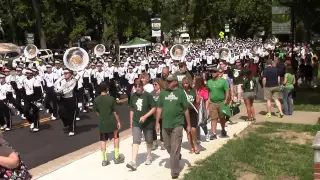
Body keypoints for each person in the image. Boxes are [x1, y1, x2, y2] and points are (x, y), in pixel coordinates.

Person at [156, 74, 191, 179]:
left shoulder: (181, 93)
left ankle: (174, 171)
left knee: (175, 148)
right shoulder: (163, 94)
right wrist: (157, 122)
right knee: (167, 145)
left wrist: (188, 125)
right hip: (165, 124)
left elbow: (186, 109)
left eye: (170, 81)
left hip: (177, 124)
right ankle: (176, 156)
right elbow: (159, 108)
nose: (168, 83)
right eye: (167, 81)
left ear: (175, 81)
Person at [126, 80, 156, 170]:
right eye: (136, 86)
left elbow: (154, 108)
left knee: (148, 140)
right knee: (135, 140)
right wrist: (131, 122)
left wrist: (145, 116)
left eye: (139, 86)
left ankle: (149, 156)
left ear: (142, 86)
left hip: (148, 121)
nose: (137, 88)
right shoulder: (133, 96)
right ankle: (133, 161)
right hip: (136, 121)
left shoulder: (148, 95)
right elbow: (132, 109)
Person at [93, 82, 124, 166]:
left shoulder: (96, 100)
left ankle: (104, 159)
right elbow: (114, 112)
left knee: (103, 140)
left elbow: (96, 111)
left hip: (102, 122)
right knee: (116, 137)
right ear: (107, 89)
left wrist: (102, 115)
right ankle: (117, 157)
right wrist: (118, 121)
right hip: (112, 122)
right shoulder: (111, 99)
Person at [54, 69, 79, 136]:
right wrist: (57, 91)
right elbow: (56, 85)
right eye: (64, 73)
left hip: (71, 99)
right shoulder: (62, 80)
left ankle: (72, 129)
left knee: (72, 114)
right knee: (61, 112)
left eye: (66, 73)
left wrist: (61, 92)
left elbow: (70, 89)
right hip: (63, 99)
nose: (65, 74)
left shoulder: (73, 81)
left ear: (70, 74)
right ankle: (67, 123)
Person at [206, 67, 229, 140]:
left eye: (214, 72)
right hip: (212, 102)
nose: (212, 73)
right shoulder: (209, 82)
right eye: (211, 72)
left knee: (222, 117)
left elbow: (227, 91)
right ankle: (214, 133)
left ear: (218, 73)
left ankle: (223, 129)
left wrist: (226, 99)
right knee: (213, 118)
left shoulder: (223, 81)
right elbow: (207, 91)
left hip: (221, 102)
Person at [181, 76, 199, 154]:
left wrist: (199, 97)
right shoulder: (181, 92)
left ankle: (195, 144)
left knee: (193, 129)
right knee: (188, 131)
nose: (185, 85)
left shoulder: (193, 90)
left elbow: (197, 101)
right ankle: (191, 146)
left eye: (187, 83)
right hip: (184, 112)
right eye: (184, 83)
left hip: (192, 111)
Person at [193, 76, 210, 142]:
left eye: (194, 80)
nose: (193, 81)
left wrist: (206, 109)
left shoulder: (204, 89)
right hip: (194, 108)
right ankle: (197, 137)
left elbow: (206, 100)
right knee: (196, 123)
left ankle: (206, 133)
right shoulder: (193, 89)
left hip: (201, 108)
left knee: (202, 123)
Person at [151, 78, 165, 150]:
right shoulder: (152, 93)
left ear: (160, 84)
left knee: (163, 128)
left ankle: (163, 142)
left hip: (163, 114)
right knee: (153, 128)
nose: (154, 86)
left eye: (155, 84)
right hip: (154, 114)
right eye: (153, 84)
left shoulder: (164, 92)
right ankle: (154, 142)